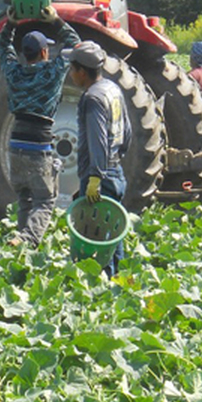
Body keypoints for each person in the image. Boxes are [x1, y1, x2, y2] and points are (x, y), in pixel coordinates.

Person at [0, 4, 79, 247]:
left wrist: (10, 24)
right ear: (44, 52)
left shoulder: (13, 72)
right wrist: (55, 21)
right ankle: (27, 239)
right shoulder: (53, 73)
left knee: (24, 199)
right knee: (45, 201)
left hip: (15, 145)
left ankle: (21, 249)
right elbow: (75, 45)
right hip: (39, 146)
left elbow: (2, 48)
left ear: (24, 54)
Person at [65, 40, 131, 277]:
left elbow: (97, 140)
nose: (71, 75)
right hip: (116, 171)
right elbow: (127, 131)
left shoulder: (92, 98)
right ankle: (117, 282)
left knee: (96, 238)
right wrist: (115, 161)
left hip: (100, 177)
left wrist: (95, 176)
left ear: (82, 71)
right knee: (112, 234)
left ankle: (101, 289)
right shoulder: (113, 89)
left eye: (72, 70)